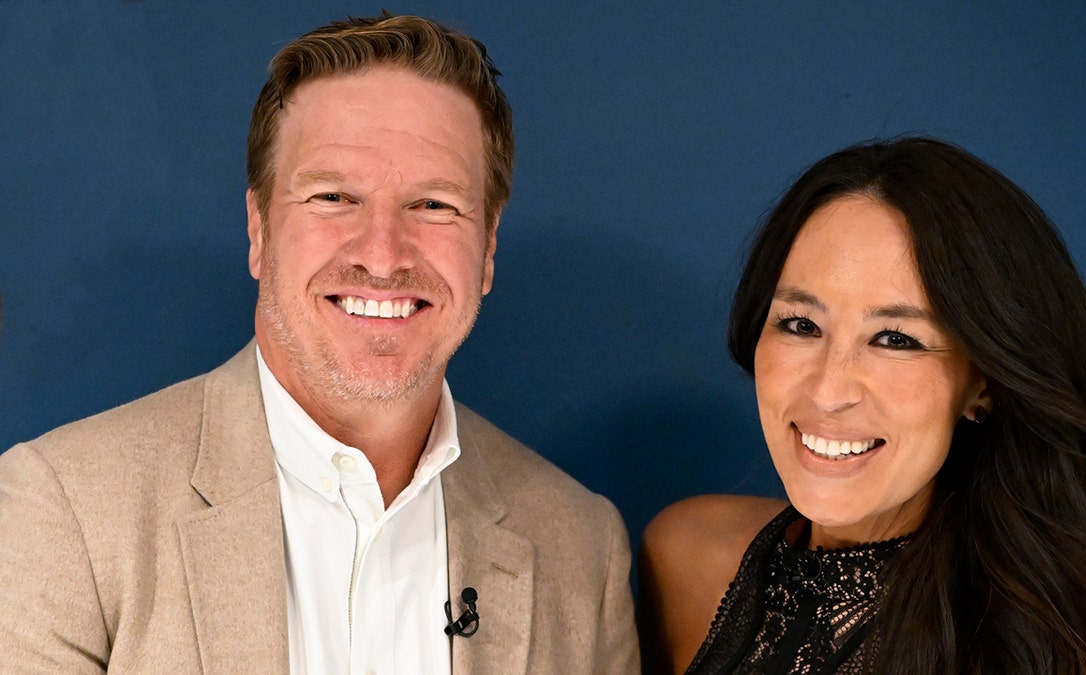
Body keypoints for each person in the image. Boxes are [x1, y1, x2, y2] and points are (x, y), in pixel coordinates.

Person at [0, 14, 638, 673]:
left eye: (435, 205)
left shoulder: (581, 548)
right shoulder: (68, 511)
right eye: (334, 196)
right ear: (259, 229)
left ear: (488, 248)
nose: (384, 255)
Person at [638, 137, 1086, 674]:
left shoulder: (1037, 651)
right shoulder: (685, 554)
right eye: (801, 325)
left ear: (983, 383)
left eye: (896, 339)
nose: (829, 390)